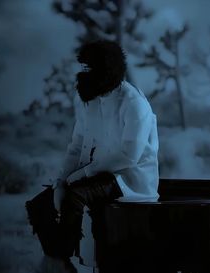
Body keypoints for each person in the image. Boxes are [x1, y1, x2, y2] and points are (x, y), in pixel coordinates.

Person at [47, 40, 159, 271]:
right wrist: (61, 181)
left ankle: (62, 261)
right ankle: (56, 261)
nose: (83, 74)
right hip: (99, 175)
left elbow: (129, 156)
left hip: (128, 178)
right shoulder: (90, 101)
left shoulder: (134, 103)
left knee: (74, 196)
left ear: (106, 69)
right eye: (84, 67)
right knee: (41, 203)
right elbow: (77, 147)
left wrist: (81, 175)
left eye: (90, 68)